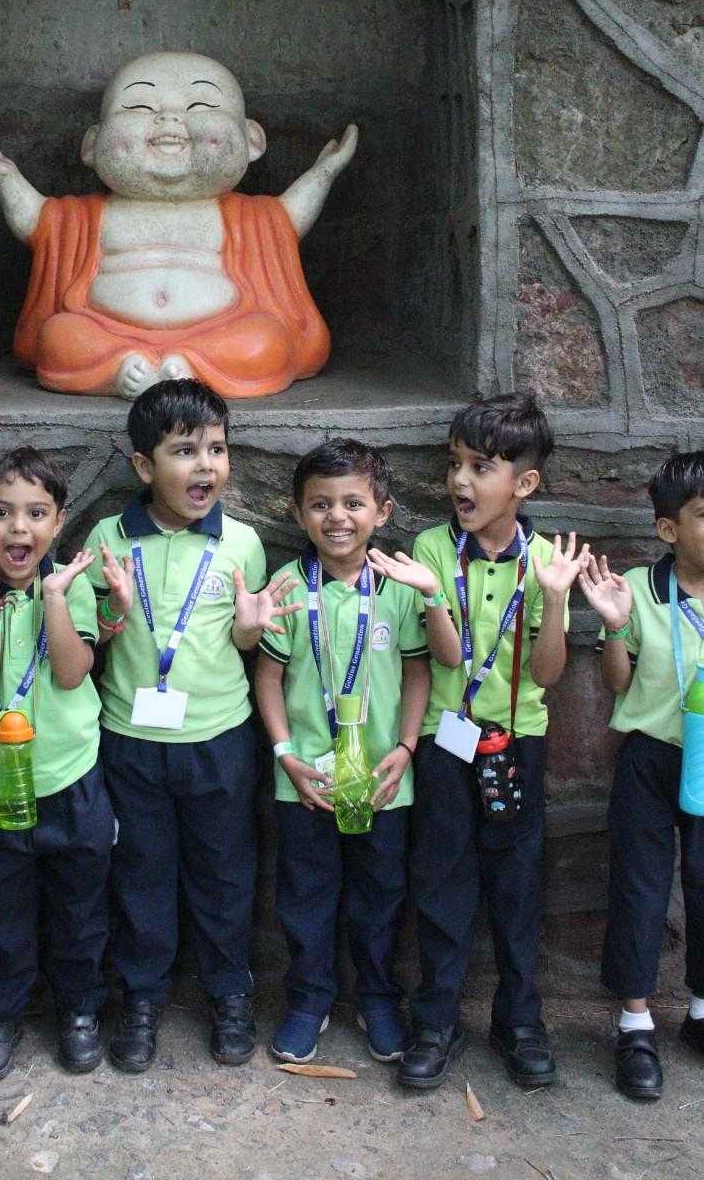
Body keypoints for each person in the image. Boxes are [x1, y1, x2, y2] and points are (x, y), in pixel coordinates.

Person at [369, 393, 584, 1091]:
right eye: (454, 464)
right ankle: (436, 1019)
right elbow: (452, 661)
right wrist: (433, 596)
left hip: (515, 741)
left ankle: (518, 1019)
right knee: (442, 882)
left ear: (522, 484)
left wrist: (554, 600)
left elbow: (547, 674)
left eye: (479, 467)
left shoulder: (545, 559)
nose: (459, 481)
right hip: (444, 740)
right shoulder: (435, 547)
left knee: (517, 887)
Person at [86, 378, 299, 1070]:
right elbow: (91, 637)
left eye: (216, 448)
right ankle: (142, 997)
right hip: (131, 741)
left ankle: (228, 991)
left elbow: (240, 643)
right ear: (145, 467)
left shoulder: (239, 543)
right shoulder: (107, 539)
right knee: (140, 873)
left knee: (224, 874)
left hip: (219, 741)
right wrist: (113, 610)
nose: (205, 465)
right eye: (184, 451)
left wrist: (245, 631)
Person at [0, 51, 358, 397]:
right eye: (139, 106)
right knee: (59, 337)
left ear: (251, 140)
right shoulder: (84, 216)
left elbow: (287, 219)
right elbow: (38, 223)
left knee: (266, 341)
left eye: (201, 104)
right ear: (92, 145)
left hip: (219, 334)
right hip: (108, 334)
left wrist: (322, 174)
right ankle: (118, 371)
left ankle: (189, 368)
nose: (169, 118)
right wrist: (7, 180)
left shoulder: (251, 216)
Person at [254, 439, 431, 1067]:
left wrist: (407, 747)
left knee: (381, 893)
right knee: (306, 894)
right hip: (306, 780)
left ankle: (379, 999)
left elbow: (418, 673)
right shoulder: (284, 587)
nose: (337, 517)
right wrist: (283, 753)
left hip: (384, 780)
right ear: (299, 514)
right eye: (320, 504)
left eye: (353, 502)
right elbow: (268, 679)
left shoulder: (399, 586)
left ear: (382, 511)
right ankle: (308, 999)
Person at [0, 446, 114, 1083]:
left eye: (36, 513)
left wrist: (58, 601)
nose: (20, 529)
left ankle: (78, 1011)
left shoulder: (74, 588)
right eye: (2, 513)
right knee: (1, 910)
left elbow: (72, 674)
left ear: (59, 521)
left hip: (73, 779)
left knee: (80, 909)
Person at [580, 450, 704, 1101]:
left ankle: (700, 1013)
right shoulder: (639, 589)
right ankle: (633, 1025)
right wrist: (616, 628)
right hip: (652, 758)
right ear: (667, 531)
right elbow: (615, 683)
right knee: (639, 886)